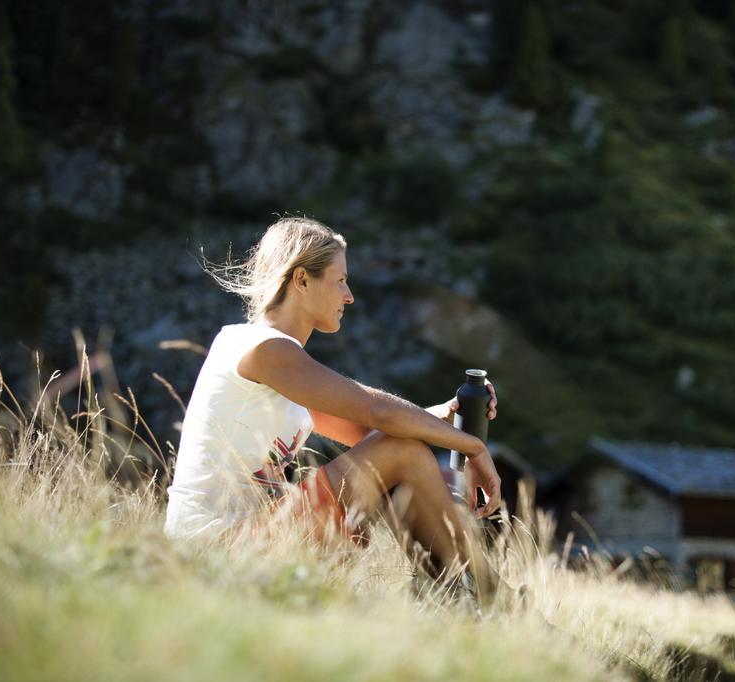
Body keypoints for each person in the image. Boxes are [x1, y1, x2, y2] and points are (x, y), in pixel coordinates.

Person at [164, 216, 501, 596]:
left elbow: (375, 434)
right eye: (339, 280)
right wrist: (472, 447)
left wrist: (443, 416)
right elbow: (379, 414)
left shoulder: (279, 365)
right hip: (216, 548)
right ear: (302, 280)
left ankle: (467, 592)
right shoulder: (261, 348)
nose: (349, 296)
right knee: (403, 450)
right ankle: (484, 598)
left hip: (251, 538)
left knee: (403, 448)